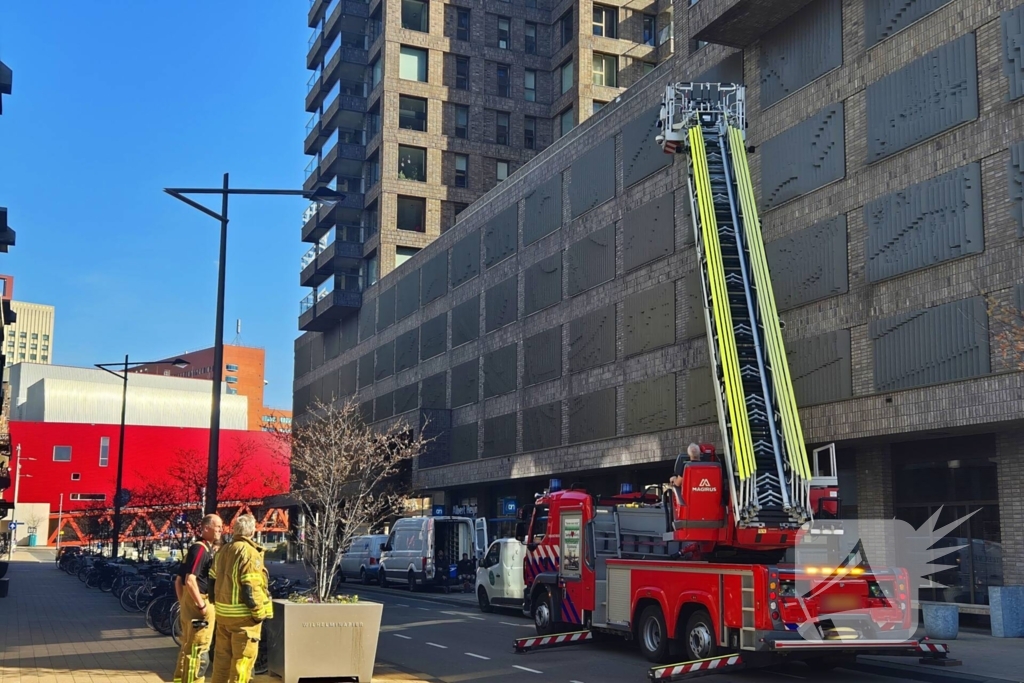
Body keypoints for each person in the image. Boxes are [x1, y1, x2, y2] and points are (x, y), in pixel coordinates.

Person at [209, 514, 272, 683]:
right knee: (242, 663)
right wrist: (259, 613)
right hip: (243, 620)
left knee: (221, 661)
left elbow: (211, 580)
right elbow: (250, 588)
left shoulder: (223, 551)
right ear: (251, 531)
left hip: (223, 616)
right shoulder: (250, 553)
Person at [173, 514, 223, 683]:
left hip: (190, 605)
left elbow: (178, 581)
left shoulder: (196, 548)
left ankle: (180, 680)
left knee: (187, 649)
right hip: (200, 603)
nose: (220, 530)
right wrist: (201, 606)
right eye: (217, 527)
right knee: (198, 652)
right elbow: (190, 579)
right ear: (207, 527)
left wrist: (184, 603)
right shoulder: (201, 549)